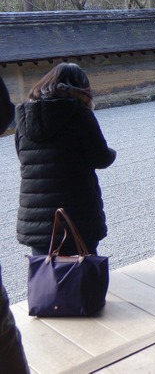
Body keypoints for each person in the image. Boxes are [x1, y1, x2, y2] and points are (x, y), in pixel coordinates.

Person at [15, 63, 117, 256]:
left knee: (46, 274)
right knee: (83, 272)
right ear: (82, 88)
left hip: (36, 217)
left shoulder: (24, 117)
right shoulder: (78, 113)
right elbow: (100, 157)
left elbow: (22, 156)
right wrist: (113, 152)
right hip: (77, 211)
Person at [1, 76, 29, 373]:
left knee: (41, 253)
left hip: (32, 203)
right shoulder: (77, 114)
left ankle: (46, 299)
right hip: (73, 199)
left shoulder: (25, 115)